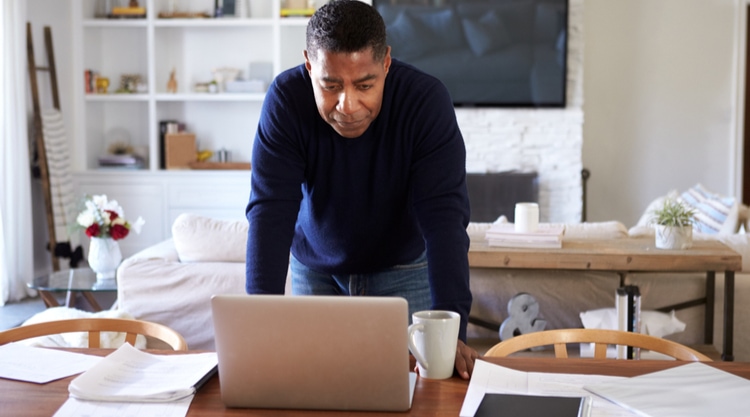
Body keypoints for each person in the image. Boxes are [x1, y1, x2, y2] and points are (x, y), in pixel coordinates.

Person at [245, 0, 477, 378]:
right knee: (312, 386)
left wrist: (454, 331)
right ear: (309, 65)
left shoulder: (425, 102)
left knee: (424, 390)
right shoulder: (286, 100)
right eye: (330, 84)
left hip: (404, 267)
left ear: (386, 63)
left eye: (365, 85)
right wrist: (255, 328)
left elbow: (445, 221)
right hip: (315, 270)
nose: (347, 105)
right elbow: (270, 212)